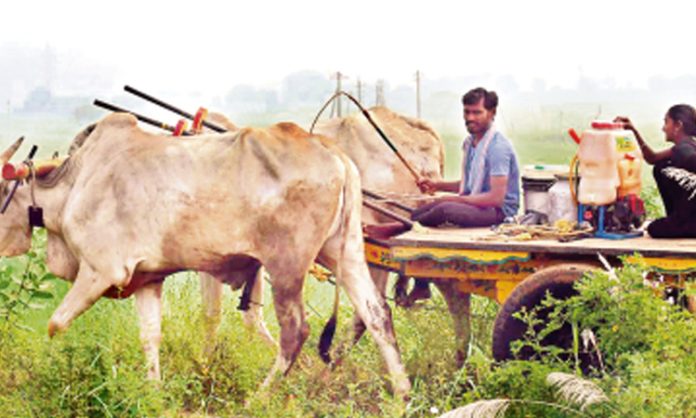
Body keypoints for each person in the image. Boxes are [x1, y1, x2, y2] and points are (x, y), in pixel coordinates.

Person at [366, 87, 521, 305]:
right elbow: (469, 185)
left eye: (477, 112)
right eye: (467, 112)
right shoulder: (471, 144)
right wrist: (437, 186)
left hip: (497, 213)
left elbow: (495, 197)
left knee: (444, 210)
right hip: (481, 206)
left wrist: (454, 199)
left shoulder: (497, 147)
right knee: (424, 209)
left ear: (492, 113)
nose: (470, 118)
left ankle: (396, 228)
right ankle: (422, 283)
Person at [614, 104, 696, 238]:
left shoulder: (684, 150)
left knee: (654, 229)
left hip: (690, 220)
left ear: (678, 125)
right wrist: (633, 131)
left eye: (666, 122)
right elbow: (652, 158)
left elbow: (689, 158)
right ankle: (678, 218)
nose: (663, 128)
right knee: (661, 165)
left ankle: (682, 221)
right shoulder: (687, 146)